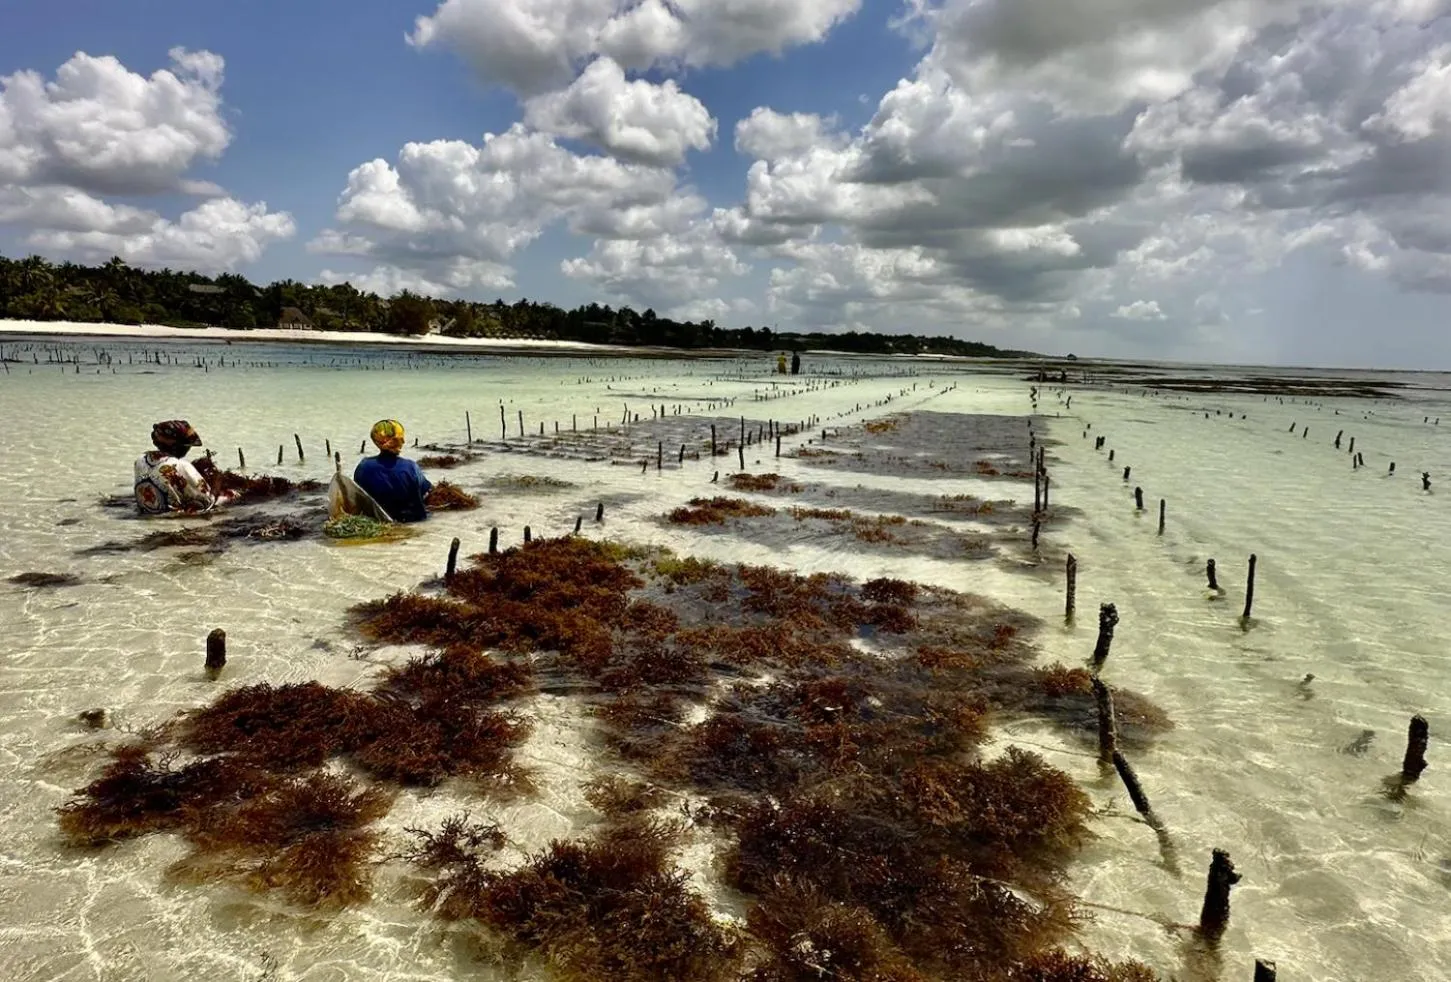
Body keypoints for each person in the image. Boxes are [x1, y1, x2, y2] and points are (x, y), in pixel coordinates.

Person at [134, 420, 230, 515]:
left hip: (148, 513)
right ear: (179, 447)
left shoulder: (141, 460)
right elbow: (206, 501)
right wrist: (217, 481)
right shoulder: (181, 466)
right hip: (176, 522)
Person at [353, 419, 432, 522]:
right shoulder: (411, 467)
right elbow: (426, 491)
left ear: (376, 441)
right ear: (401, 440)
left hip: (377, 522)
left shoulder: (364, 466)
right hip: (412, 522)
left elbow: (357, 493)